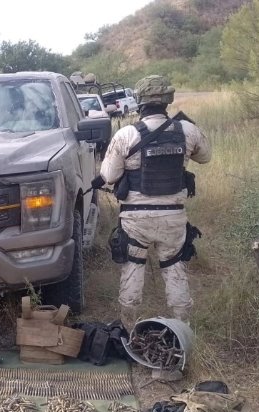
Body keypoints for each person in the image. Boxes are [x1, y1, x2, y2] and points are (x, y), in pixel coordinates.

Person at [94, 75, 211, 327]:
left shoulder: (126, 135)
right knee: (174, 268)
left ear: (139, 101)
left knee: (133, 269)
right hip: (173, 218)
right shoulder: (187, 130)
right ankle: (182, 329)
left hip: (135, 219)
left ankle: (128, 327)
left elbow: (109, 176)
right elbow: (205, 156)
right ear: (168, 100)